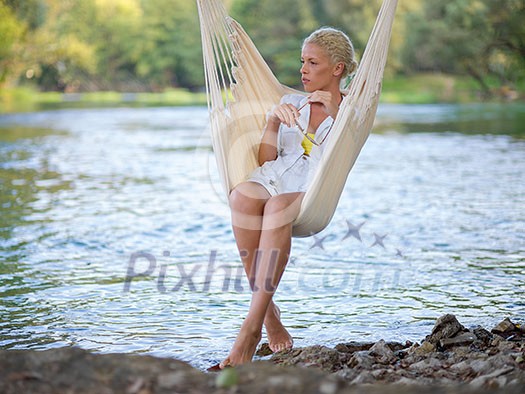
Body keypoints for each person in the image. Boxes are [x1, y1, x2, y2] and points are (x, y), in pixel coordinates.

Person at [219, 27, 358, 368]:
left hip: (311, 191)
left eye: (313, 62)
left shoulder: (352, 111)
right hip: (273, 177)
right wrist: (271, 121)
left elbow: (346, 148)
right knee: (242, 198)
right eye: (302, 61)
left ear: (337, 68)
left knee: (278, 207)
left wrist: (337, 113)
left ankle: (250, 330)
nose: (303, 70)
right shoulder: (289, 102)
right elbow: (267, 160)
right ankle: (269, 315)